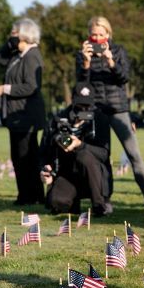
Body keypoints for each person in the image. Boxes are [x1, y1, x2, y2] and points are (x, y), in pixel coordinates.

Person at [75, 16, 144, 214]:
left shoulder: (118, 51)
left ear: (108, 34)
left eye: (101, 34)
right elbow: (81, 86)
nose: (97, 38)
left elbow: (124, 77)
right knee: (102, 156)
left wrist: (110, 61)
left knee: (134, 154)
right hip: (96, 110)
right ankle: (105, 201)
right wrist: (86, 64)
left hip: (119, 109)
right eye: (93, 34)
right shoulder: (82, 54)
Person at [0, 18, 45, 206]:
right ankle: (27, 194)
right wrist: (9, 45)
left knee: (27, 157)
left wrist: (6, 89)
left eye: (14, 34)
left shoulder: (32, 56)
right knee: (19, 157)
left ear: (25, 34)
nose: (11, 37)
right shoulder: (17, 55)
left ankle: (32, 196)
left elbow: (32, 86)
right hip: (14, 115)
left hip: (26, 115)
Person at [39, 83, 111, 215]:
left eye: (86, 106)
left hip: (93, 176)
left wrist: (80, 144)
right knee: (56, 203)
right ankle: (72, 202)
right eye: (79, 106)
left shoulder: (99, 119)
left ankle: (99, 204)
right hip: (68, 174)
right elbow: (43, 152)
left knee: (83, 156)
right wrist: (45, 169)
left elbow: (104, 154)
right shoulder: (58, 119)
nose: (83, 110)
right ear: (72, 101)